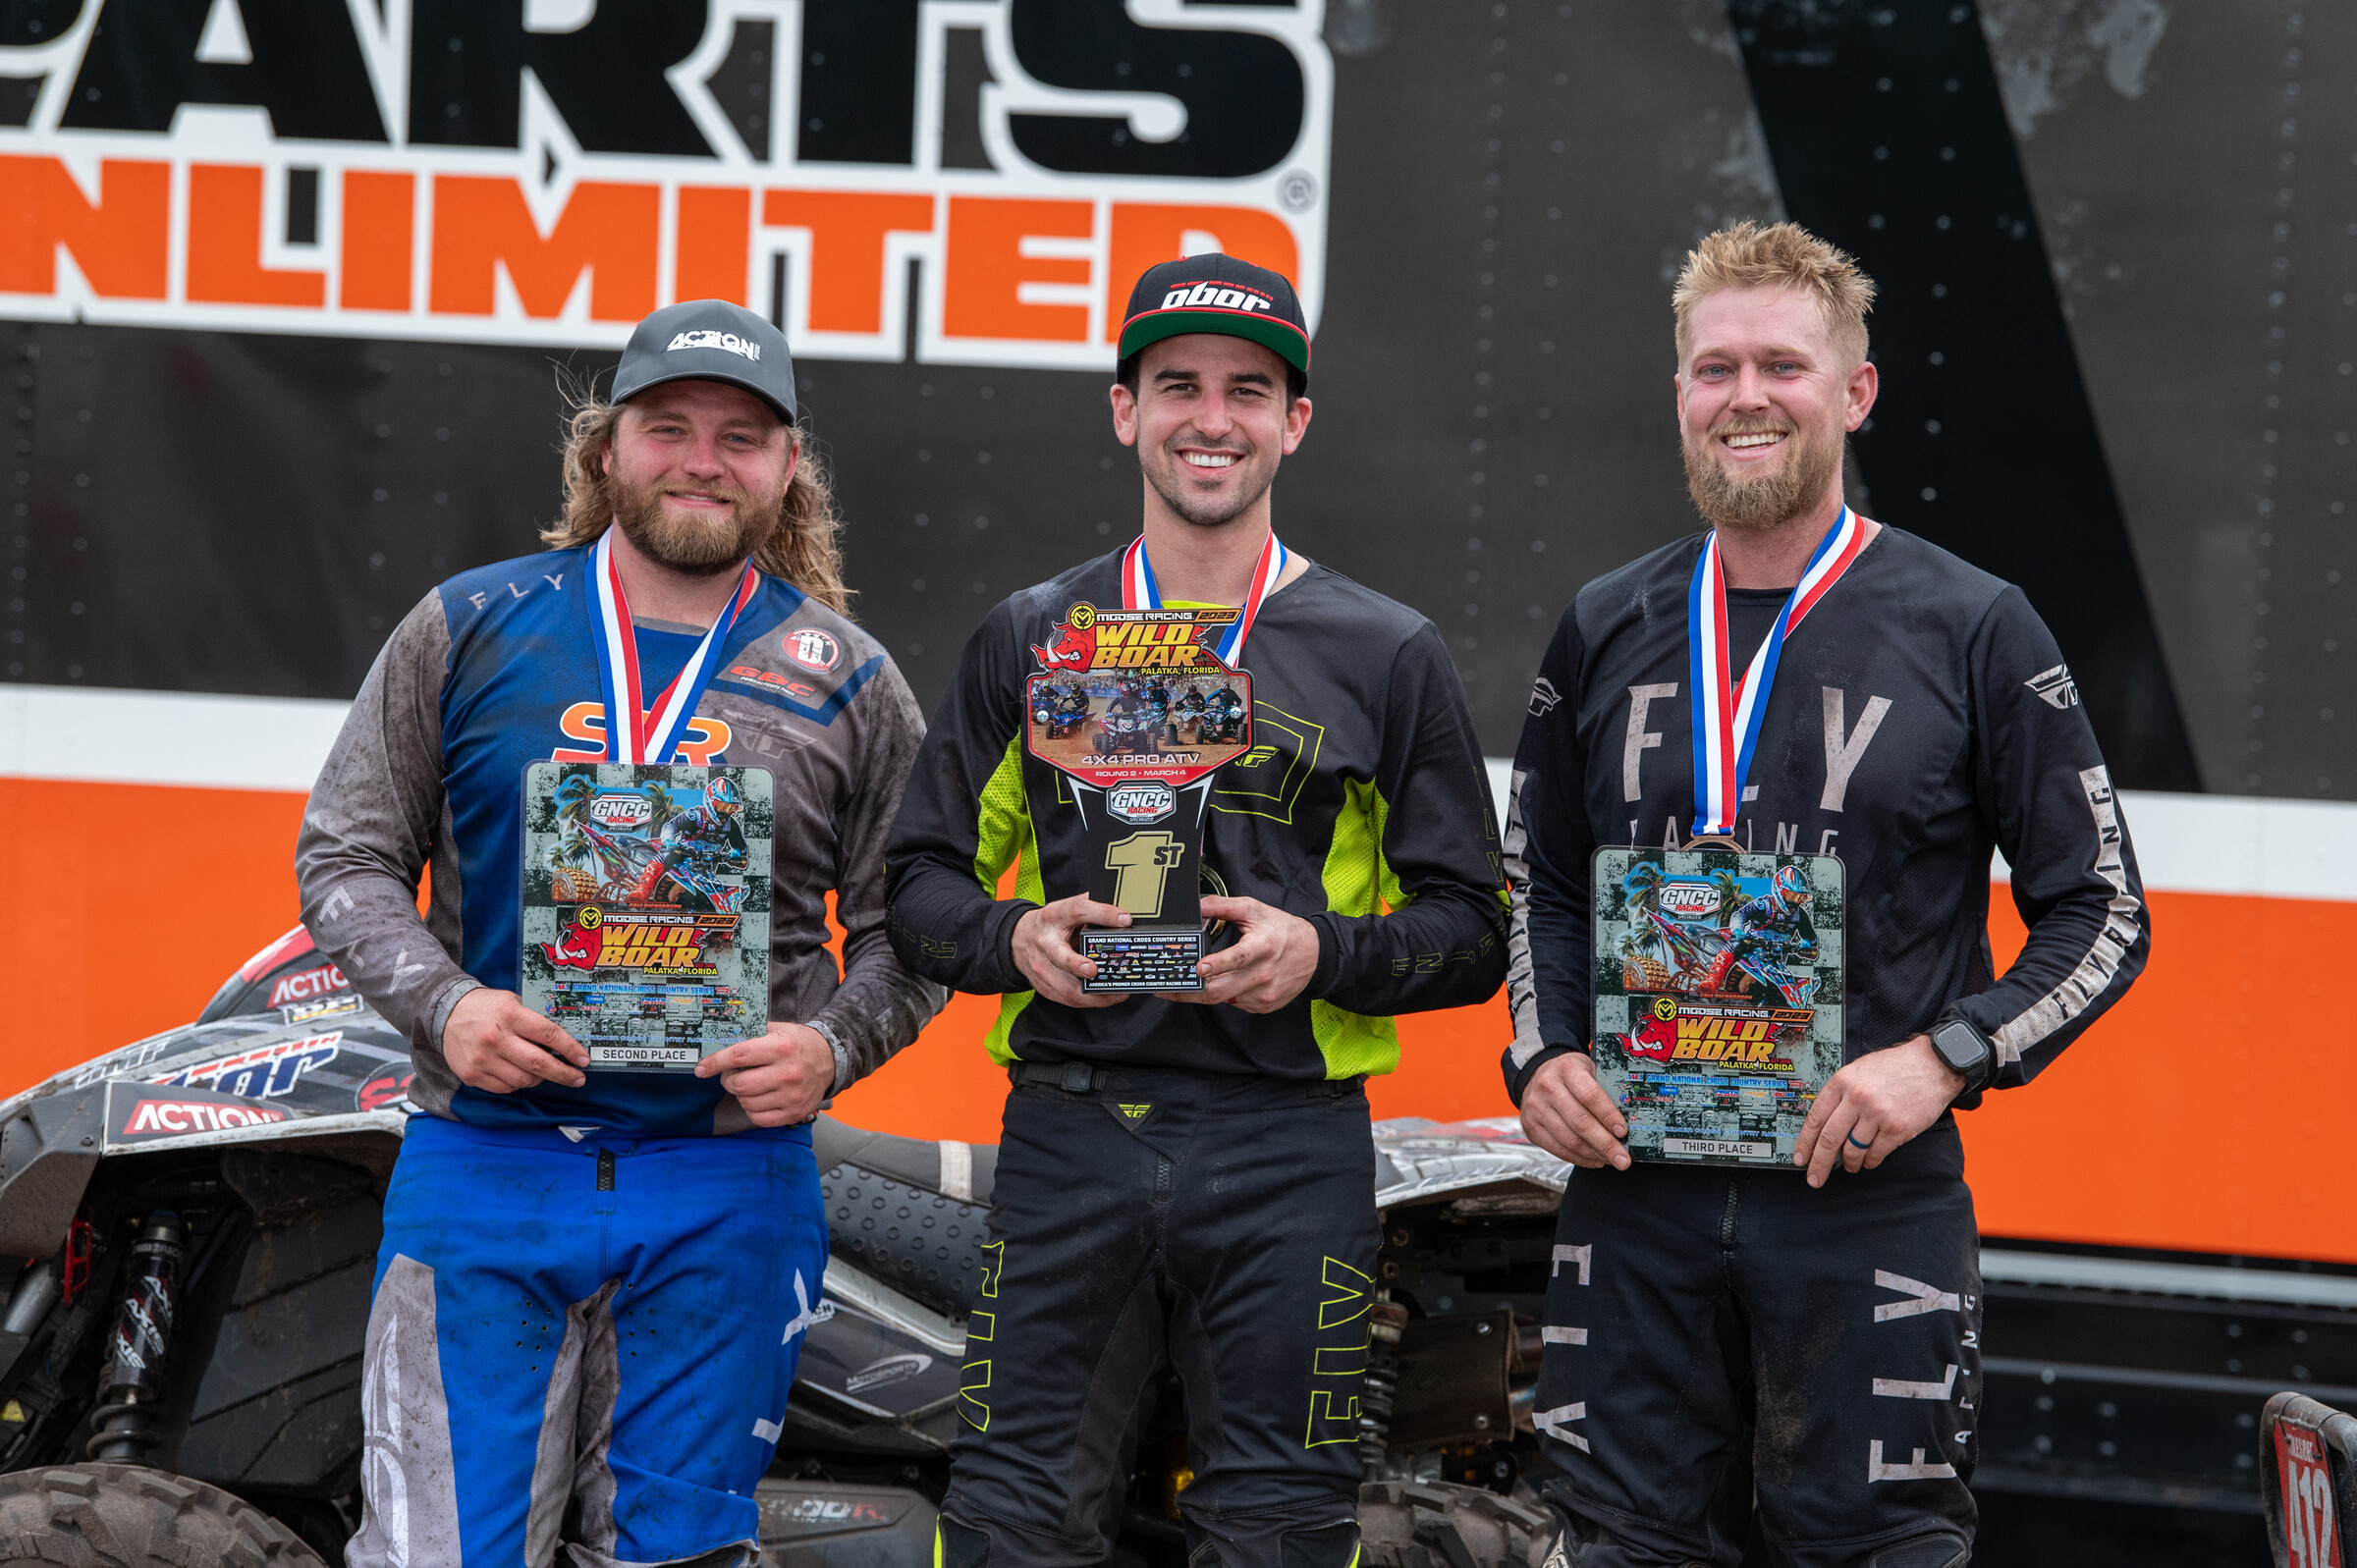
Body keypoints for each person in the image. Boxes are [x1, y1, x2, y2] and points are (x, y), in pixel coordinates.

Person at [1503, 222, 2150, 1568]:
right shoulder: (1604, 623)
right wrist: (1542, 1046)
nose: (1746, 396)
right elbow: (1542, 881)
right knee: (1614, 1546)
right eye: (1714, 366)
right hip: (1636, 1196)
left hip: (1867, 1202)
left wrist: (1945, 1057)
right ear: (1680, 391)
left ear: (1853, 392)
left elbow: (2104, 913)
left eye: (1783, 365)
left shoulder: (1975, 626)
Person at [885, 253, 1511, 1568]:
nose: (1209, 416)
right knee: (1007, 1526)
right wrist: (1017, 941)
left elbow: (1471, 925)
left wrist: (1322, 952)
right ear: (1125, 410)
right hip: (1070, 1135)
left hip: (1292, 1152)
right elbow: (918, 890)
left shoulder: (1385, 649)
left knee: (1281, 1534)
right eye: (1177, 385)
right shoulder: (1032, 634)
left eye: (1248, 388)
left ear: (1295, 420)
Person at [297, 298, 944, 1567]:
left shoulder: (848, 677)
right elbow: (346, 854)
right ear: (606, 450)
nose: (705, 459)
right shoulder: (470, 626)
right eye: (670, 427)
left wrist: (827, 1050)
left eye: (742, 436)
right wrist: (448, 1008)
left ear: (787, 467)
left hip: (726, 1183)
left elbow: (914, 930)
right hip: (487, 1167)